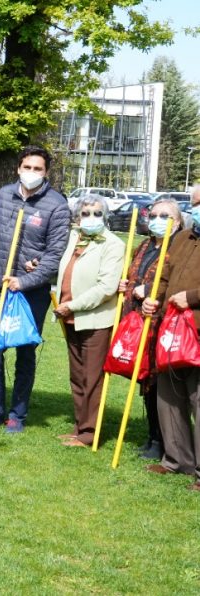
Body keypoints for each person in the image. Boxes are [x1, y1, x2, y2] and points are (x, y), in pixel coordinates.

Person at [0, 145, 70, 433]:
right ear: (19, 168)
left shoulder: (56, 205)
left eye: (38, 169)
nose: (31, 173)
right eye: (27, 167)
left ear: (46, 173)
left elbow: (55, 254)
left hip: (31, 291)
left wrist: (26, 279)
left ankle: (17, 414)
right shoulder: (4, 195)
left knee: (25, 351)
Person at [53, 196, 125, 447]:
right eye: (85, 213)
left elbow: (107, 287)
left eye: (96, 213)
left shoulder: (113, 244)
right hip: (70, 318)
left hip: (95, 319)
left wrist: (71, 305)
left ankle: (89, 433)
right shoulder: (75, 239)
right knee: (77, 375)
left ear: (104, 216)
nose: (90, 218)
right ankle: (79, 425)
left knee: (92, 377)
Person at [142, 187, 200, 489]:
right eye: (194, 204)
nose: (196, 209)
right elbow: (164, 275)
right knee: (169, 396)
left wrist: (190, 297)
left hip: (197, 330)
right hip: (171, 329)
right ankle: (176, 460)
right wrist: (155, 299)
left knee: (198, 399)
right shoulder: (182, 238)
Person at [118, 198, 183, 460]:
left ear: (177, 222)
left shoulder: (178, 247)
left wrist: (150, 292)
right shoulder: (144, 245)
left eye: (165, 216)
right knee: (144, 379)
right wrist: (126, 286)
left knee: (158, 383)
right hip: (137, 321)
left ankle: (164, 440)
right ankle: (152, 435)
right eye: (153, 214)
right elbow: (135, 276)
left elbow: (175, 282)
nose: (157, 220)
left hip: (164, 324)